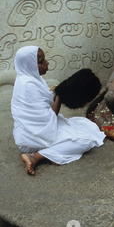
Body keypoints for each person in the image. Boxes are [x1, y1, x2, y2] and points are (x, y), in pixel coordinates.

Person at [11, 46, 105, 176]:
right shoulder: (28, 85)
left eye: (44, 59)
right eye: (41, 61)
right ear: (29, 65)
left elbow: (43, 110)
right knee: (85, 141)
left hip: (31, 130)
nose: (46, 63)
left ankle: (48, 151)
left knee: (83, 123)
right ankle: (35, 156)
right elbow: (47, 122)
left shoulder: (30, 78)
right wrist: (60, 96)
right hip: (33, 138)